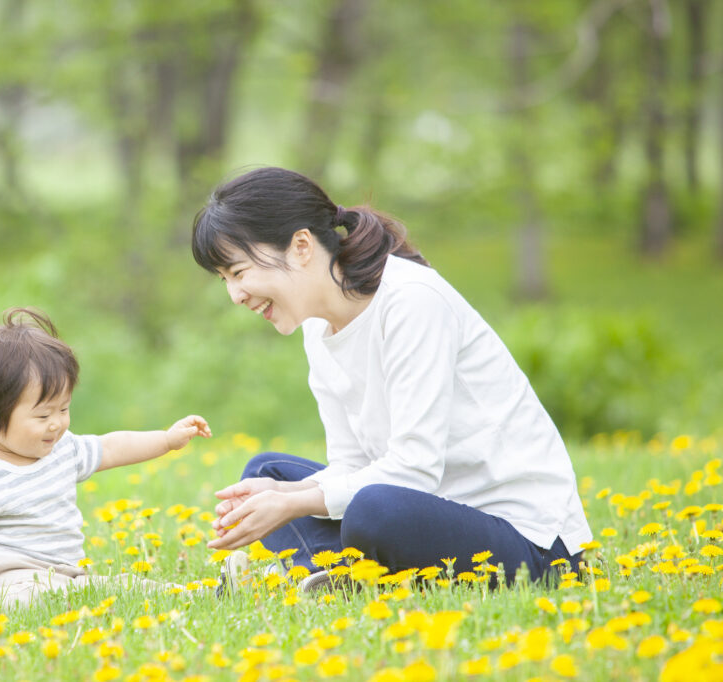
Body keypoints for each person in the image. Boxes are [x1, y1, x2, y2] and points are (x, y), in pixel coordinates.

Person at [191, 166, 591, 587]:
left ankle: (337, 572)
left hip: (532, 544)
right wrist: (281, 496)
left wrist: (292, 505)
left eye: (238, 273)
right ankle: (336, 577)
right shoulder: (318, 328)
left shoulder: (411, 301)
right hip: (423, 512)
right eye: (225, 280)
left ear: (301, 246)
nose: (235, 295)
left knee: (374, 511)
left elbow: (414, 471)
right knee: (265, 476)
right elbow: (351, 464)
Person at [0, 307, 211, 608]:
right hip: (8, 580)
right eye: (42, 415)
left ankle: (202, 592)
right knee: (26, 598)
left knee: (122, 587)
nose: (57, 423)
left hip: (69, 576)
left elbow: (115, 446)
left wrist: (167, 439)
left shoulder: (65, 450)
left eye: (63, 409)